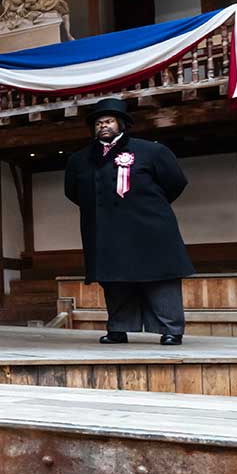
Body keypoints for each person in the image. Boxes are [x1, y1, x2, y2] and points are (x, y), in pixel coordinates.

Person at [64, 98, 193, 344]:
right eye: (99, 122)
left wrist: (148, 206)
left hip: (150, 229)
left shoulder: (151, 151)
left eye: (109, 121)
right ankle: (118, 328)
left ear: (121, 124)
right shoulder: (79, 160)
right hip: (105, 233)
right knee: (114, 281)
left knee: (160, 279)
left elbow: (176, 183)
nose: (103, 126)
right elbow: (73, 192)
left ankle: (171, 330)